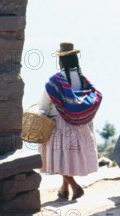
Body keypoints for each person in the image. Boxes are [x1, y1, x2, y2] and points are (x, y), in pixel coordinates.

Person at [38, 42, 103, 200]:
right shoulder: (83, 79)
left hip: (60, 125)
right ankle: (64, 190)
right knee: (65, 158)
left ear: (61, 61)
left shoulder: (55, 81)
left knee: (58, 158)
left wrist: (42, 115)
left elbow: (44, 105)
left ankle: (74, 186)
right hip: (80, 125)